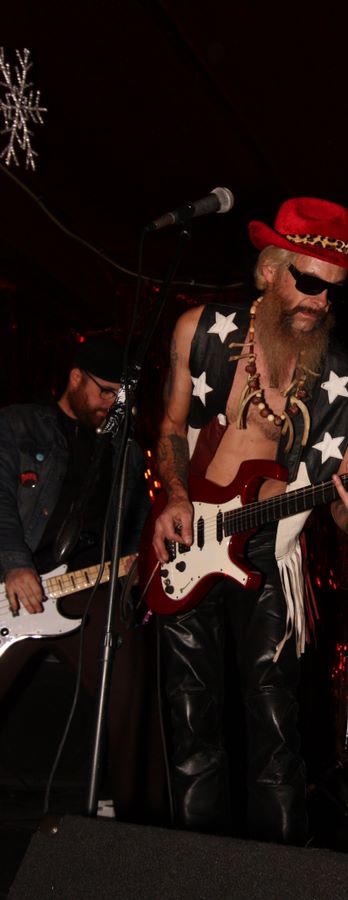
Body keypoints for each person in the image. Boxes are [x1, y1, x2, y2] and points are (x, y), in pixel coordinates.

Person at [150, 196, 348, 844]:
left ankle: (282, 871)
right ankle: (194, 868)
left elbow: (341, 499)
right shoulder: (201, 331)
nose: (319, 300)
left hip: (268, 549)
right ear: (268, 270)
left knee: (276, 727)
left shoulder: (346, 381)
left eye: (332, 289)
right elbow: (171, 425)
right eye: (307, 281)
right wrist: (175, 496)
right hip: (188, 538)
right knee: (190, 720)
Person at [0, 335, 158, 821]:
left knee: (131, 694)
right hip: (17, 588)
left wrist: (140, 569)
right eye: (105, 390)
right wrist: (14, 561)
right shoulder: (19, 424)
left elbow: (137, 528)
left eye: (120, 395)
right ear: (75, 378)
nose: (112, 403)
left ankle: (129, 822)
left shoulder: (128, 454)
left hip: (87, 590)